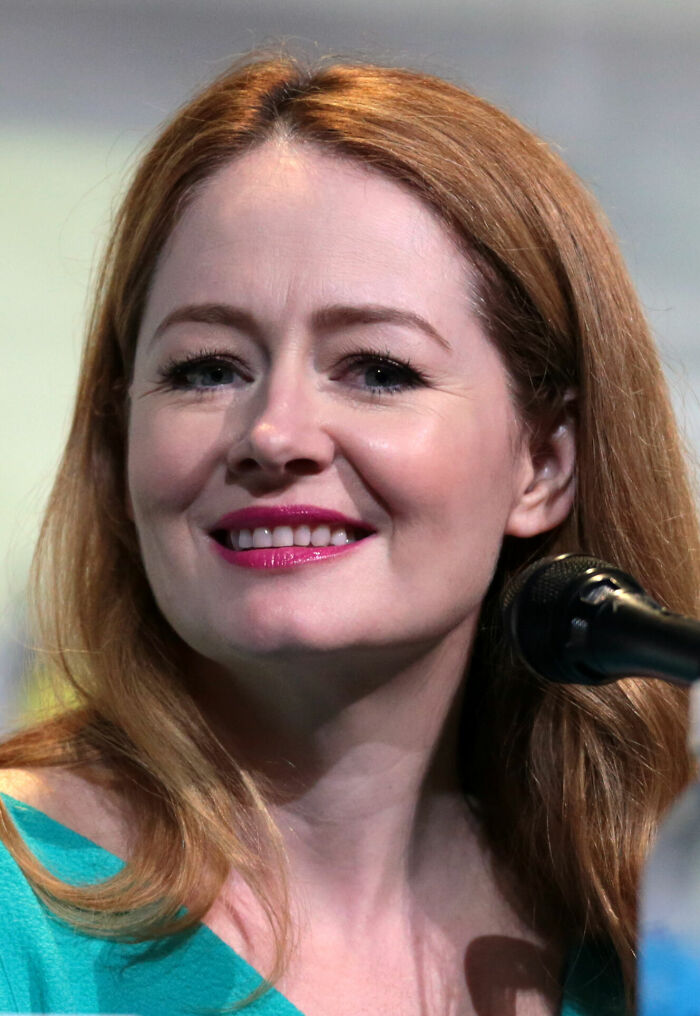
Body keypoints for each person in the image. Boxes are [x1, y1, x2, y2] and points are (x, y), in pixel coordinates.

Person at [0, 48, 697, 1016]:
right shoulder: (18, 913)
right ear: (120, 439)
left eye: (376, 368)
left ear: (541, 463)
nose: (274, 433)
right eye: (204, 368)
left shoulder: (641, 927)